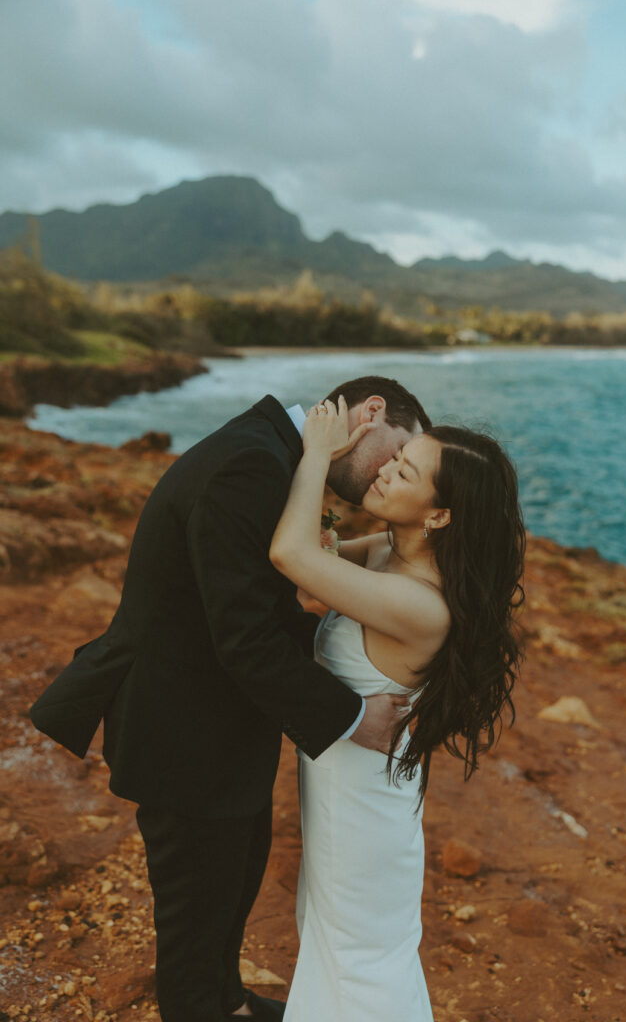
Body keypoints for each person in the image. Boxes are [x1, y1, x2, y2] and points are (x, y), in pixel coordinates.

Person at [29, 377, 431, 1022]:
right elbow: (244, 636)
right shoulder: (253, 463)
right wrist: (353, 715)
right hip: (183, 730)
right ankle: (204, 1004)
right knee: (196, 914)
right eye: (399, 452)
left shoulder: (272, 455)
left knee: (231, 885)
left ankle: (227, 1001)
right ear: (372, 412)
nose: (391, 474)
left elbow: (260, 611)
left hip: (218, 726)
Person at [269, 398, 525, 1022]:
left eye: (404, 473)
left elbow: (292, 557)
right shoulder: (390, 551)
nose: (384, 470)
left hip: (361, 821)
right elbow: (317, 572)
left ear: (439, 515)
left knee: (360, 968)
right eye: (399, 457)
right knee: (343, 953)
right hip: (352, 801)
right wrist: (326, 534)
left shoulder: (421, 605)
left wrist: (315, 454)